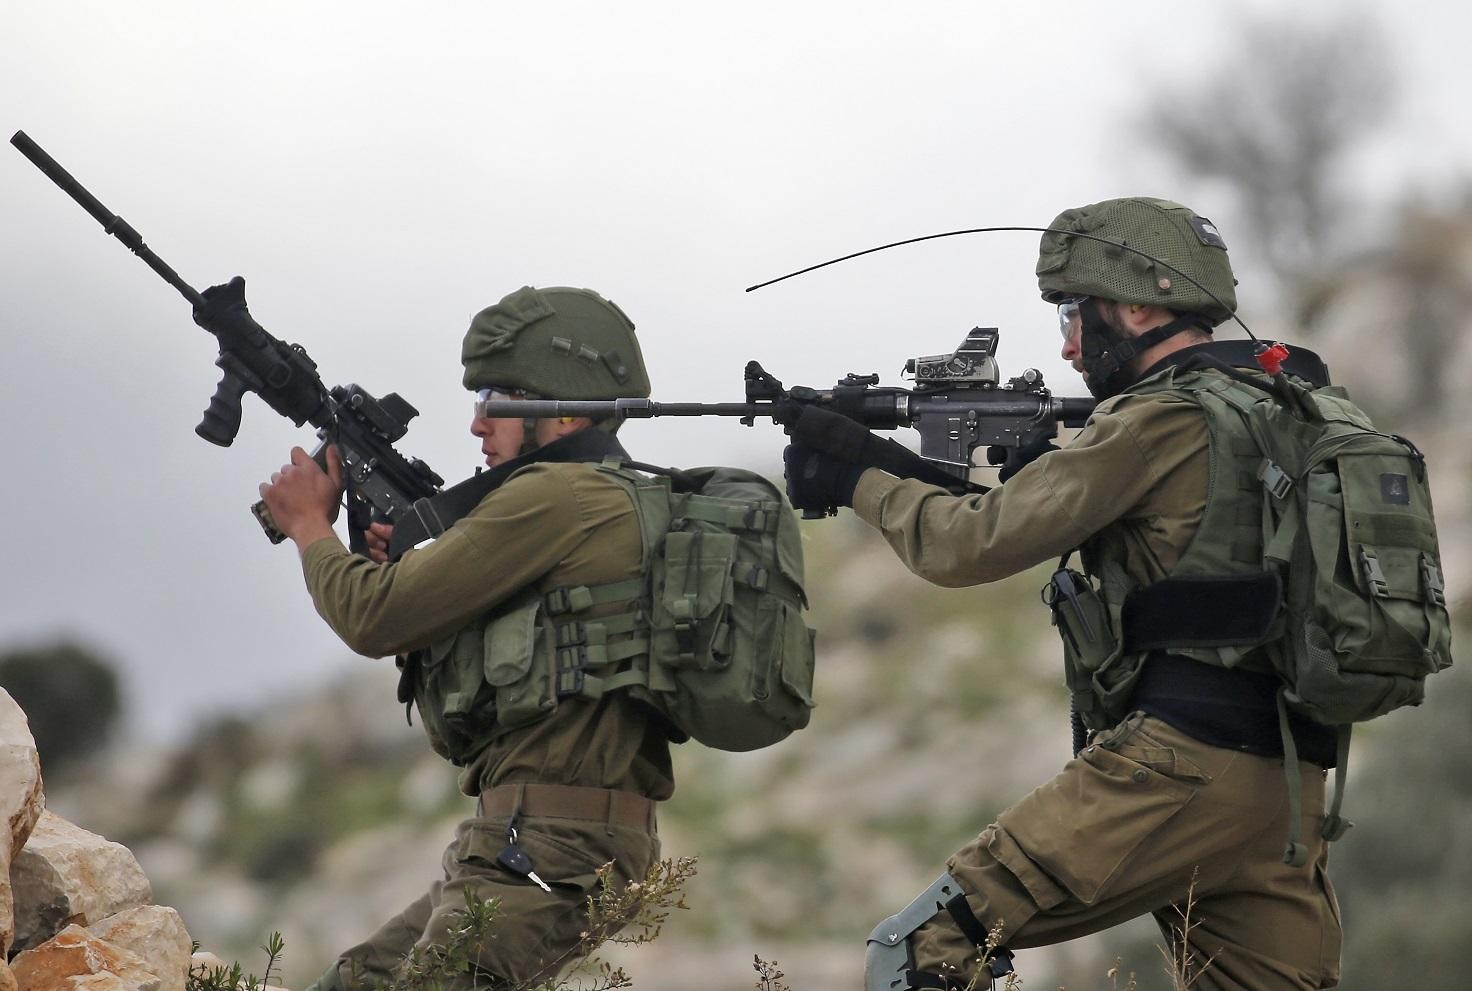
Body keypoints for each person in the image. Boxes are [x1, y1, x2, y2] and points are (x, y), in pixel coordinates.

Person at [784, 198, 1344, 990]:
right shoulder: (1285, 411)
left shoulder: (1152, 421)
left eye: (1074, 315)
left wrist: (855, 477)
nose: (1070, 346)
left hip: (1179, 769)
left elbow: (963, 545)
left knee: (920, 949)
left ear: (1139, 307)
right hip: (1287, 785)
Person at [258, 285, 674, 991]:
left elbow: (371, 618)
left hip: (550, 845)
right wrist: (403, 567)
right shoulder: (596, 497)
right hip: (532, 841)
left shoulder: (556, 497)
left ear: (562, 411)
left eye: (495, 398)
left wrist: (310, 526)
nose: (477, 423)